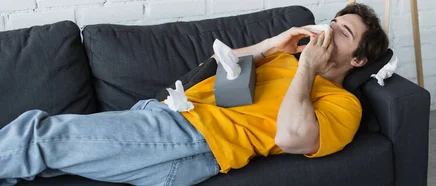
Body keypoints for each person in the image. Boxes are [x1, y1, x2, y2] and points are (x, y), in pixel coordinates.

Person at [0, 3, 389, 186]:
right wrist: (274, 44)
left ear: (357, 59)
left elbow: (291, 137)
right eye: (332, 22)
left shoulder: (343, 104)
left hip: (192, 138)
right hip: (167, 117)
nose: (327, 31)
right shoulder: (286, 59)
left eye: (342, 33)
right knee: (42, 163)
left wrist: (307, 68)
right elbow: (221, 62)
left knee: (39, 135)